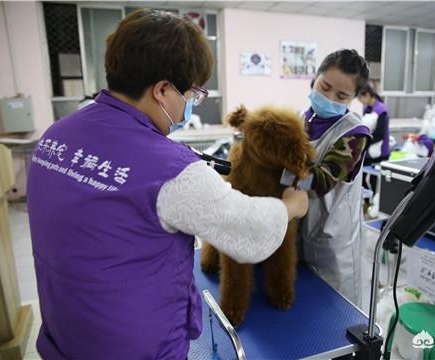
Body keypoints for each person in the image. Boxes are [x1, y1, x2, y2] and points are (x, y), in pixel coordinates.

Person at [27, 9, 309, 360]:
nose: (191, 105)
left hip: (66, 334)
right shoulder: (173, 171)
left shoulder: (55, 137)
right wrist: (290, 206)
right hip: (136, 346)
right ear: (162, 90)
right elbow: (249, 231)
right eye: (192, 94)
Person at [299, 49, 371, 307]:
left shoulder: (355, 134)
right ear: (315, 78)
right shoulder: (300, 119)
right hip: (300, 234)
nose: (329, 97)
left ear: (353, 98)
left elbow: (319, 182)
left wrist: (280, 176)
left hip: (334, 247)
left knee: (336, 321)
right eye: (325, 87)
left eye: (341, 96)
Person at [358, 83, 391, 165]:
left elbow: (380, 133)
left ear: (368, 95)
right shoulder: (366, 108)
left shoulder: (381, 110)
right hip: (368, 149)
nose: (359, 100)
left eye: (360, 97)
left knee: (374, 175)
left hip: (380, 150)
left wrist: (364, 141)